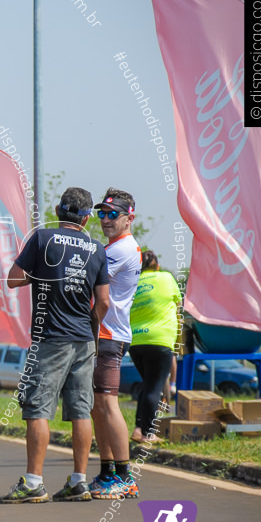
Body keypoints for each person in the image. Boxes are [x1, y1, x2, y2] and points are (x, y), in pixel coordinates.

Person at [0, 187, 110, 503]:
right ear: (87, 218)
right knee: (81, 411)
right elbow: (103, 301)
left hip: (50, 339)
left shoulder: (43, 239)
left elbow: (13, 279)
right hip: (84, 341)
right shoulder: (97, 249)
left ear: (59, 211)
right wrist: (90, 328)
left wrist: (42, 276)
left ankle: (33, 482)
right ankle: (79, 481)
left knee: (37, 408)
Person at [89, 189, 142, 500]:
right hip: (103, 335)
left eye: (113, 214)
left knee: (108, 404)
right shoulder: (114, 247)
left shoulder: (120, 250)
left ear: (129, 218)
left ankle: (125, 476)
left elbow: (85, 280)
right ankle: (108, 472)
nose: (105, 220)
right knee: (98, 407)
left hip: (109, 336)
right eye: (101, 213)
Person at [129, 251, 181, 443]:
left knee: (148, 385)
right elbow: (178, 303)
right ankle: (148, 434)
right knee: (154, 389)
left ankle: (137, 429)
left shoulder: (133, 282)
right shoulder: (166, 278)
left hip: (135, 342)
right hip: (160, 340)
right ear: (157, 266)